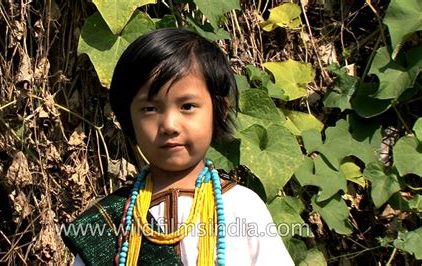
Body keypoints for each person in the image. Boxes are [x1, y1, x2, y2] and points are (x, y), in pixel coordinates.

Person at [62, 28, 294, 265]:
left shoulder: (242, 207)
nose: (170, 125)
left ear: (220, 111)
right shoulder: (112, 220)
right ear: (127, 119)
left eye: (187, 106)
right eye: (150, 109)